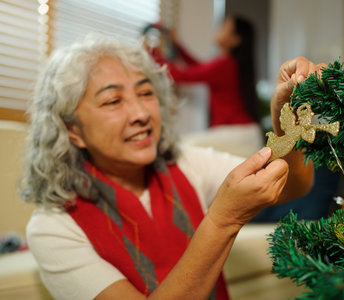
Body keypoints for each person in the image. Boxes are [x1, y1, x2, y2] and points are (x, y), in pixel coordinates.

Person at [21, 33, 323, 300]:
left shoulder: (186, 164)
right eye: (113, 101)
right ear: (72, 130)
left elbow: (295, 185)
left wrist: (286, 115)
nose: (141, 113)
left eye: (145, 93)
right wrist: (222, 221)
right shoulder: (52, 227)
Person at [144, 16, 264, 157]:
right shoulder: (228, 64)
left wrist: (152, 53)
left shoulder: (225, 65)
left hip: (238, 133)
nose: (217, 29)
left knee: (181, 147)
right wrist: (177, 45)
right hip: (245, 133)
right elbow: (198, 67)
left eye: (224, 27)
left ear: (235, 39)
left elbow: (184, 76)